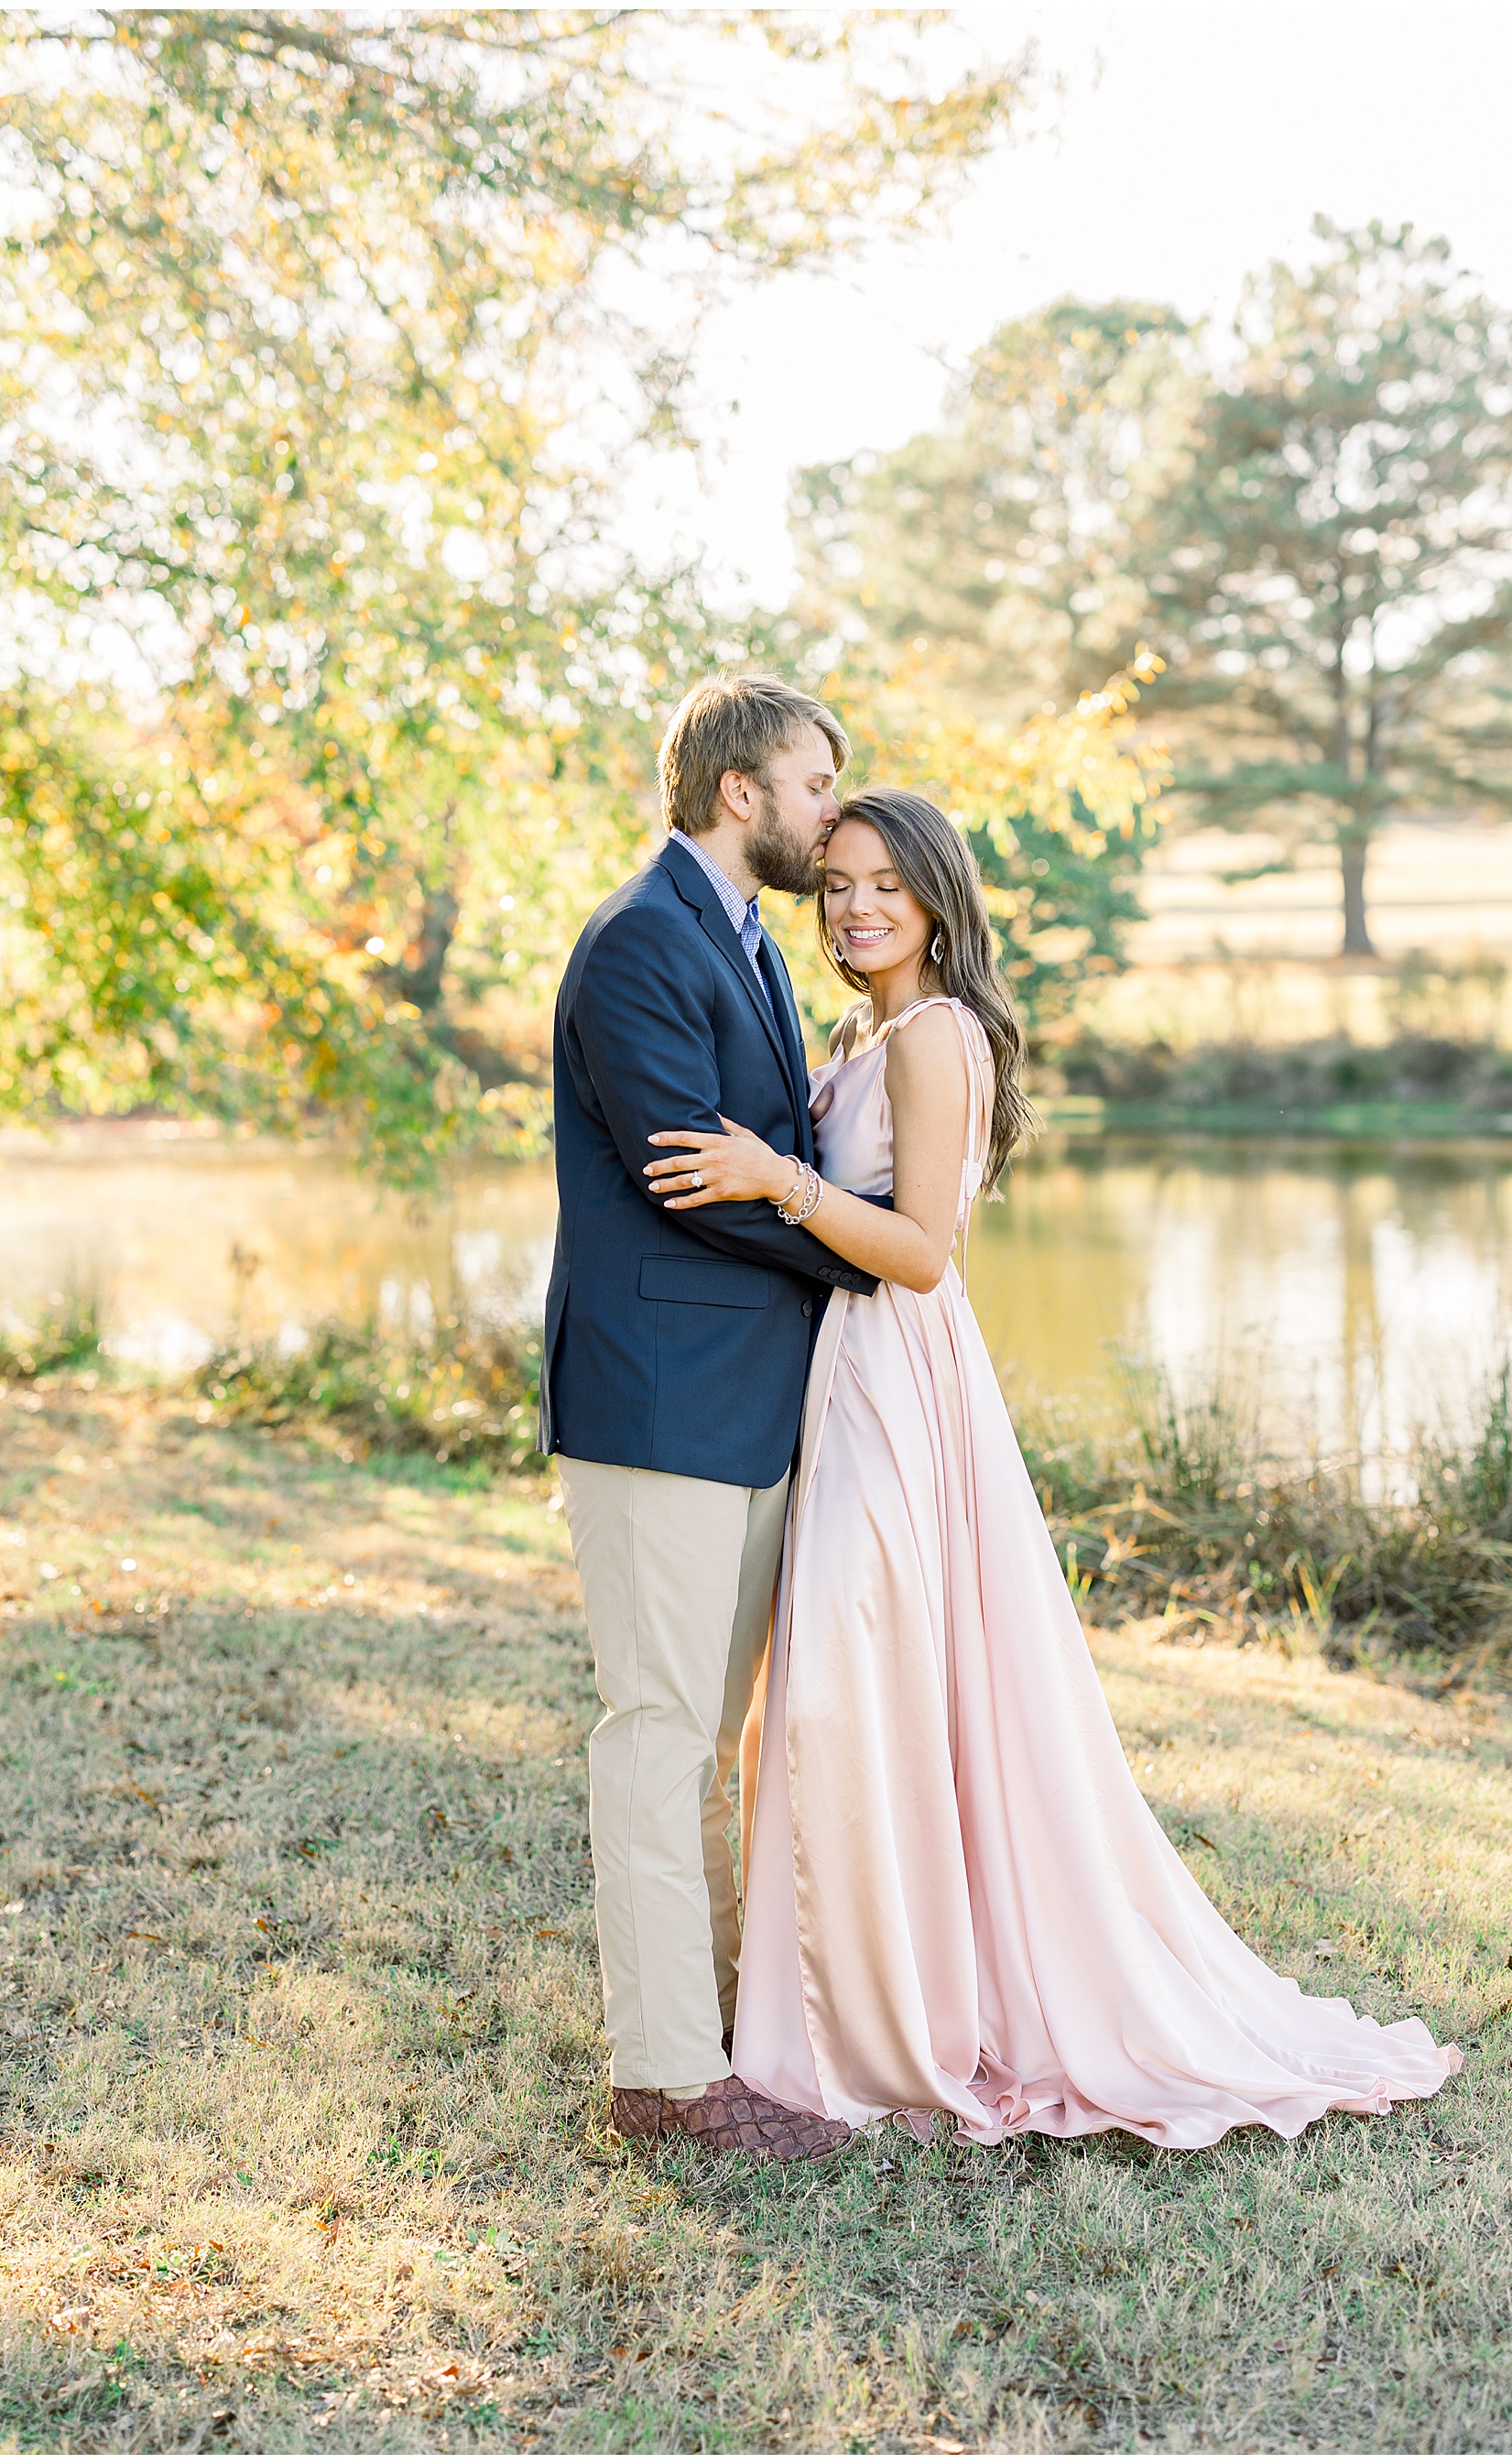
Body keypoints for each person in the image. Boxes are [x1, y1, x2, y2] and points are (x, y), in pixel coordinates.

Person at [644, 789, 1462, 2149]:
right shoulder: (865, 1027)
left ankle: (889, 2021)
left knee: (851, 1686)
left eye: (885, 888)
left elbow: (918, 1250)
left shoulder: (941, 1035)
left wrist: (769, 1178)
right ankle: (843, 1994)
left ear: (937, 902)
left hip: (901, 1373)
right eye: (837, 883)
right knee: (853, 1690)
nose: (854, 907)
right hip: (842, 1379)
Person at [540, 672, 875, 2164]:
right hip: (660, 1400)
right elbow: (698, 1173)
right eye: (813, 786)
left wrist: (832, 1217)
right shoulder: (637, 945)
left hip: (744, 1404)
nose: (828, 812)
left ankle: (732, 2032)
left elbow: (763, 1161)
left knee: (723, 1736)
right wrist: (875, 1242)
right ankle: (667, 2077)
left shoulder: (746, 944)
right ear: (739, 793)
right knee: (656, 1731)